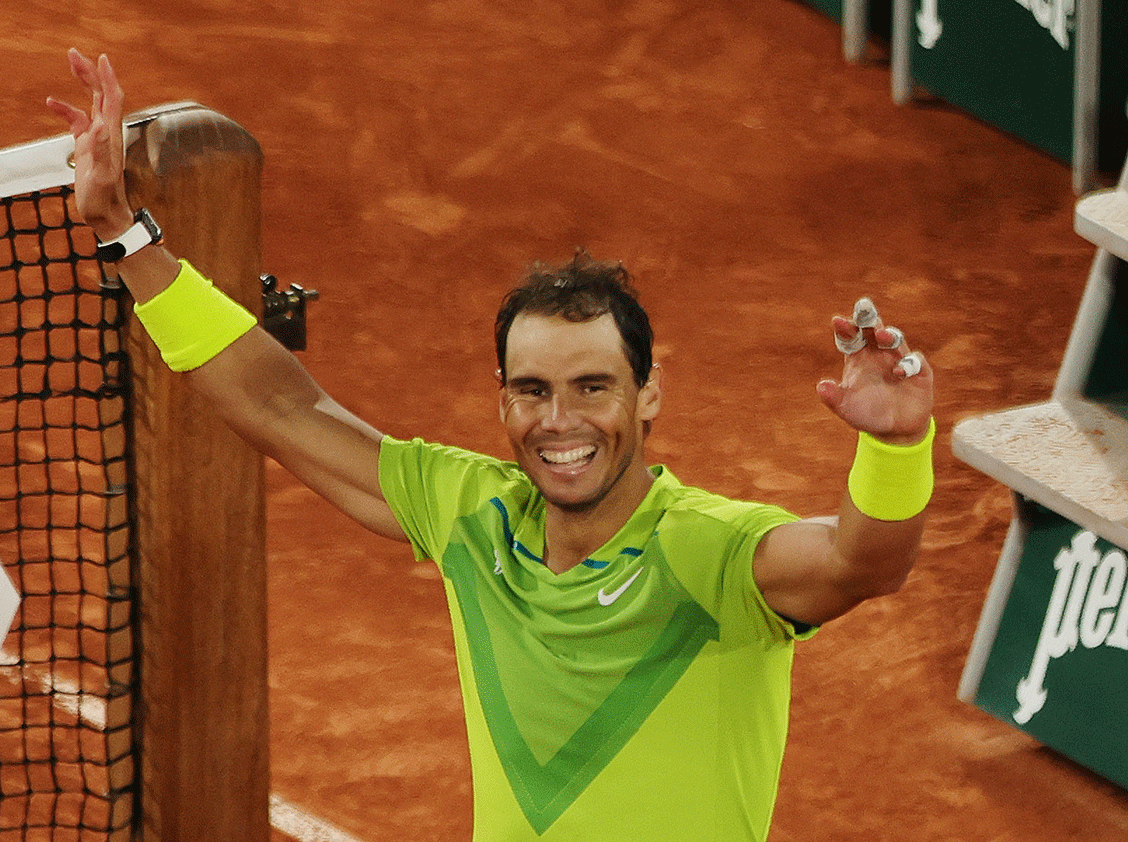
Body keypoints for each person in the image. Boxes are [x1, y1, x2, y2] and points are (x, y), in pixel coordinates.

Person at [48, 49, 935, 841]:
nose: (561, 421)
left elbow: (862, 565)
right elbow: (283, 407)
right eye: (534, 391)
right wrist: (127, 237)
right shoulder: (469, 513)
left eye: (594, 388)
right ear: (502, 401)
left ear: (650, 393)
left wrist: (895, 449)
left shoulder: (708, 554)